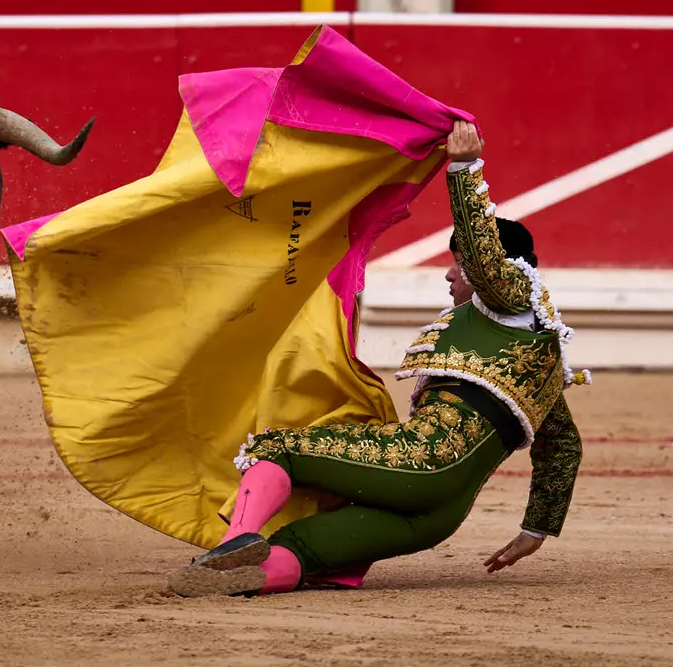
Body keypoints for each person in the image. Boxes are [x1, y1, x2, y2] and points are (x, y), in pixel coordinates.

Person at [168, 120, 590, 598]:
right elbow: (562, 449)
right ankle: (232, 581)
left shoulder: (506, 298)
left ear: (490, 269)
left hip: (422, 463)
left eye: (458, 264)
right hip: (437, 516)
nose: (450, 275)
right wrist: (534, 531)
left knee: (277, 447)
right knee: (303, 549)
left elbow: (483, 250)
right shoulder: (544, 360)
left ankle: (235, 541)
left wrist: (464, 166)